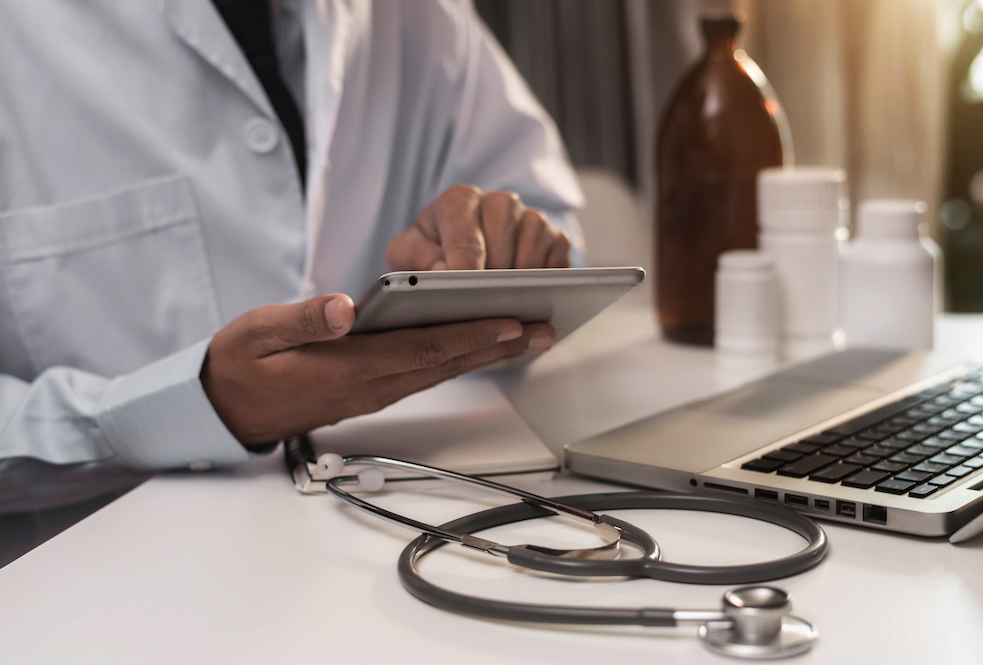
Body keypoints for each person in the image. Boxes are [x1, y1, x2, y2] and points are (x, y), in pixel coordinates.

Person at [0, 0, 585, 511]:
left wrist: (494, 257)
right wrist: (183, 412)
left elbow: (551, 225)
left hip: (399, 515)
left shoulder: (417, 12)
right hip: (93, 579)